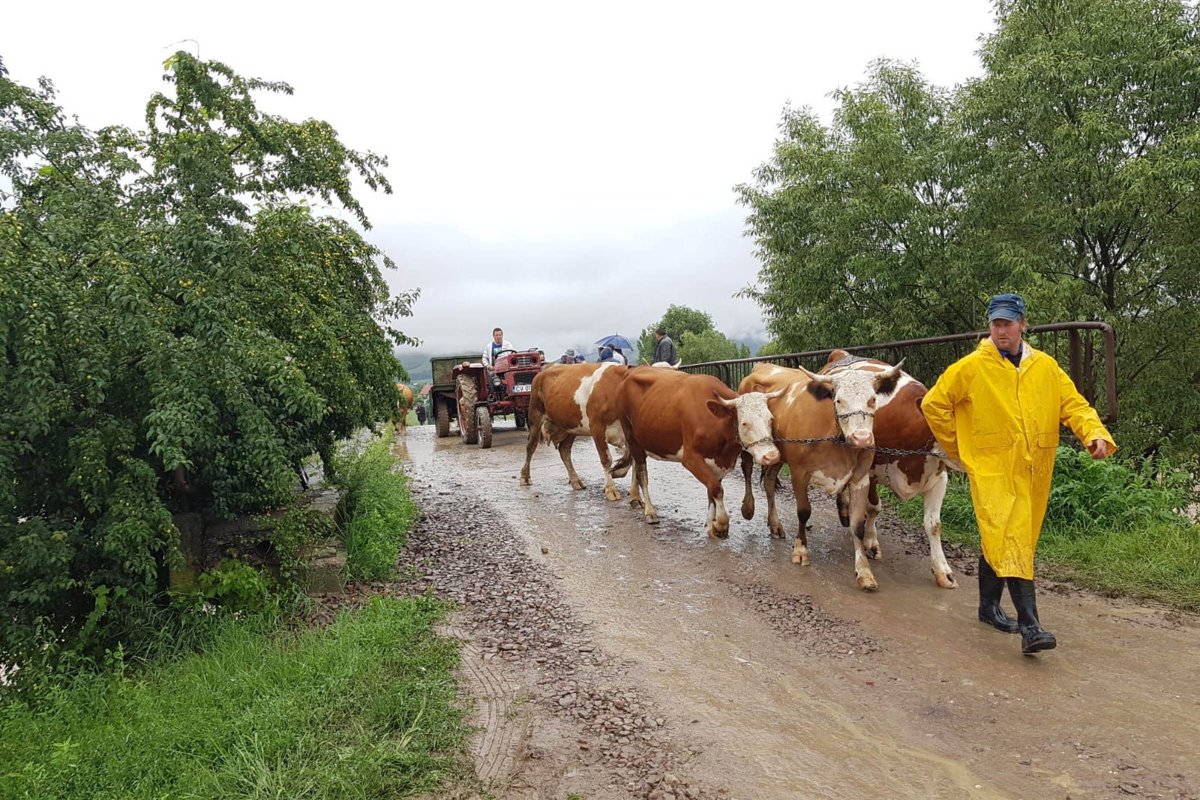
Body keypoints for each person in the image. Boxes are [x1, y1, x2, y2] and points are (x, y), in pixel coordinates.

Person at [921, 292, 1117, 656]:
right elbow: (933, 404)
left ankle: (987, 608)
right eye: (995, 324)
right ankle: (1031, 627)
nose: (1001, 331)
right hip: (992, 469)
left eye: (1007, 323)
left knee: (1008, 536)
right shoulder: (971, 367)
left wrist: (1095, 434)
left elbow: (1074, 405)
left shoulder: (1044, 366)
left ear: (1023, 324)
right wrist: (961, 449)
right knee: (1010, 537)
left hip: (1034, 469)